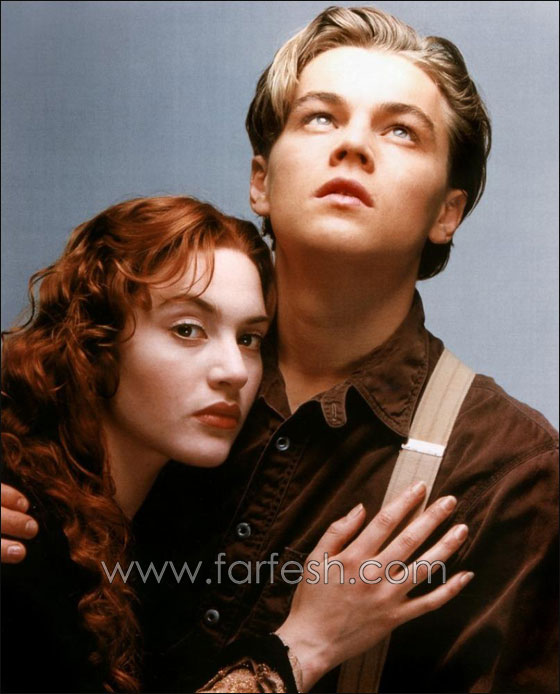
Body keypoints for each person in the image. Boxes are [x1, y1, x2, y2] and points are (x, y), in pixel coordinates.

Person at [3, 5, 558, 692]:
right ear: (260, 182)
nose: (353, 146)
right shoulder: (121, 370)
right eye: (321, 117)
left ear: (447, 212)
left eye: (401, 130)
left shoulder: (509, 470)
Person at [1, 194, 472, 693]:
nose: (234, 372)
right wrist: (306, 644)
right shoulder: (19, 530)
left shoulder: (149, 521)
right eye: (188, 330)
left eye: (249, 339)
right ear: (94, 342)